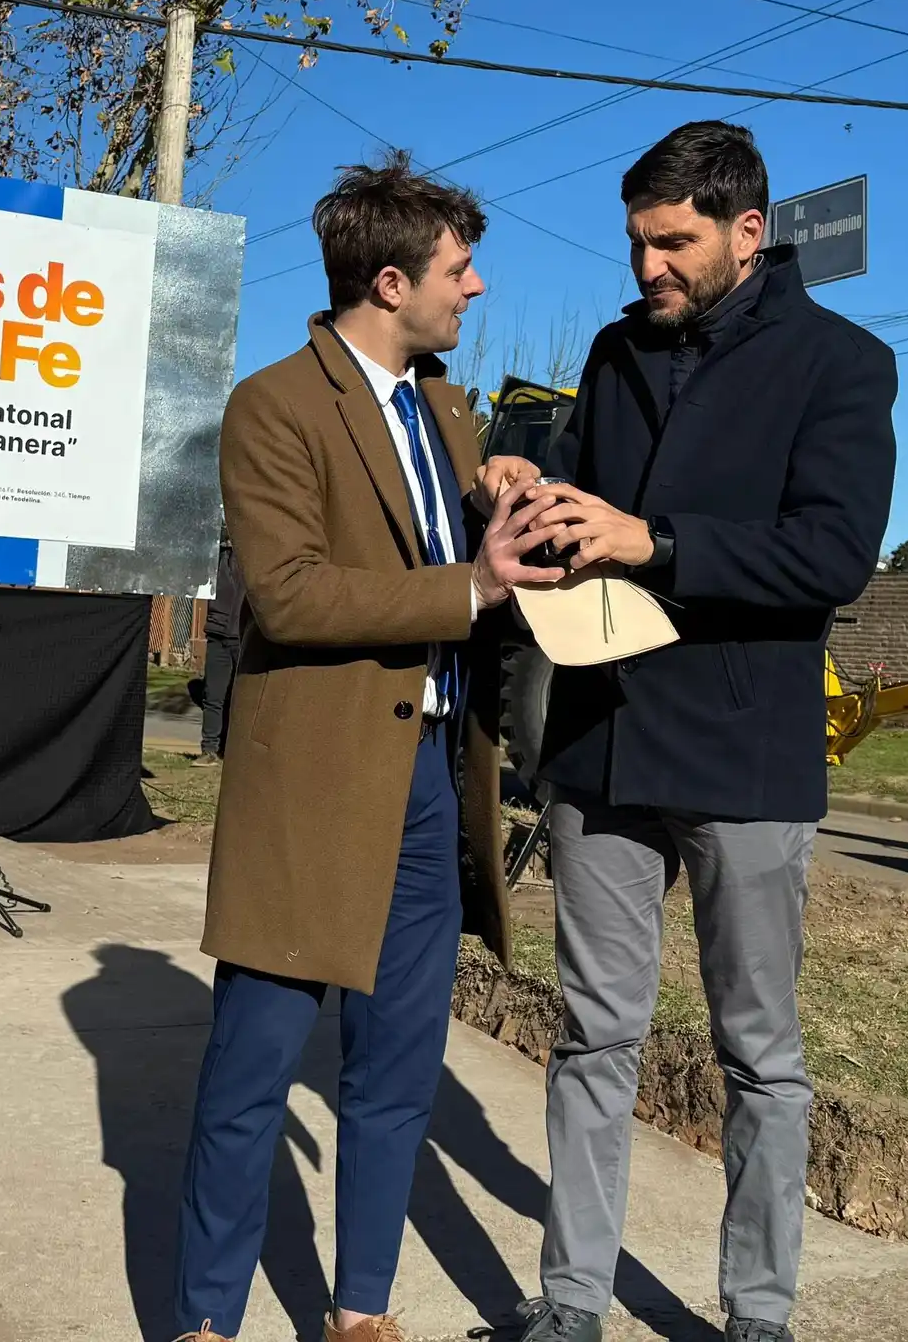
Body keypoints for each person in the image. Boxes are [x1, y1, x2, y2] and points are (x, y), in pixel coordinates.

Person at [478, 121, 898, 1342]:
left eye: (673, 242)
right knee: (591, 1035)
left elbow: (831, 557)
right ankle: (569, 1305)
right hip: (603, 744)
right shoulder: (614, 351)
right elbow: (576, 495)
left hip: (746, 752)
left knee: (759, 1051)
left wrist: (650, 541)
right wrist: (525, 484)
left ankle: (757, 1313)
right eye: (638, 241)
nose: (648, 264)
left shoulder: (844, 364)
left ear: (748, 233)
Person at [173, 151, 566, 1342]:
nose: (479, 287)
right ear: (389, 281)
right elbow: (289, 597)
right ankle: (205, 1322)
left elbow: (438, 536)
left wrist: (498, 491)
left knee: (395, 1077)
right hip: (314, 793)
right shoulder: (275, 404)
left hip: (434, 789)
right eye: (459, 268)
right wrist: (472, 588)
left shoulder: (447, 406)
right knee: (250, 1079)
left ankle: (362, 1311)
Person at [194, 526, 246, 766]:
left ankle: (236, 752)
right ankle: (209, 751)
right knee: (213, 696)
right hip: (217, 634)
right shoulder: (214, 559)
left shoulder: (251, 560)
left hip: (241, 636)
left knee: (241, 698)